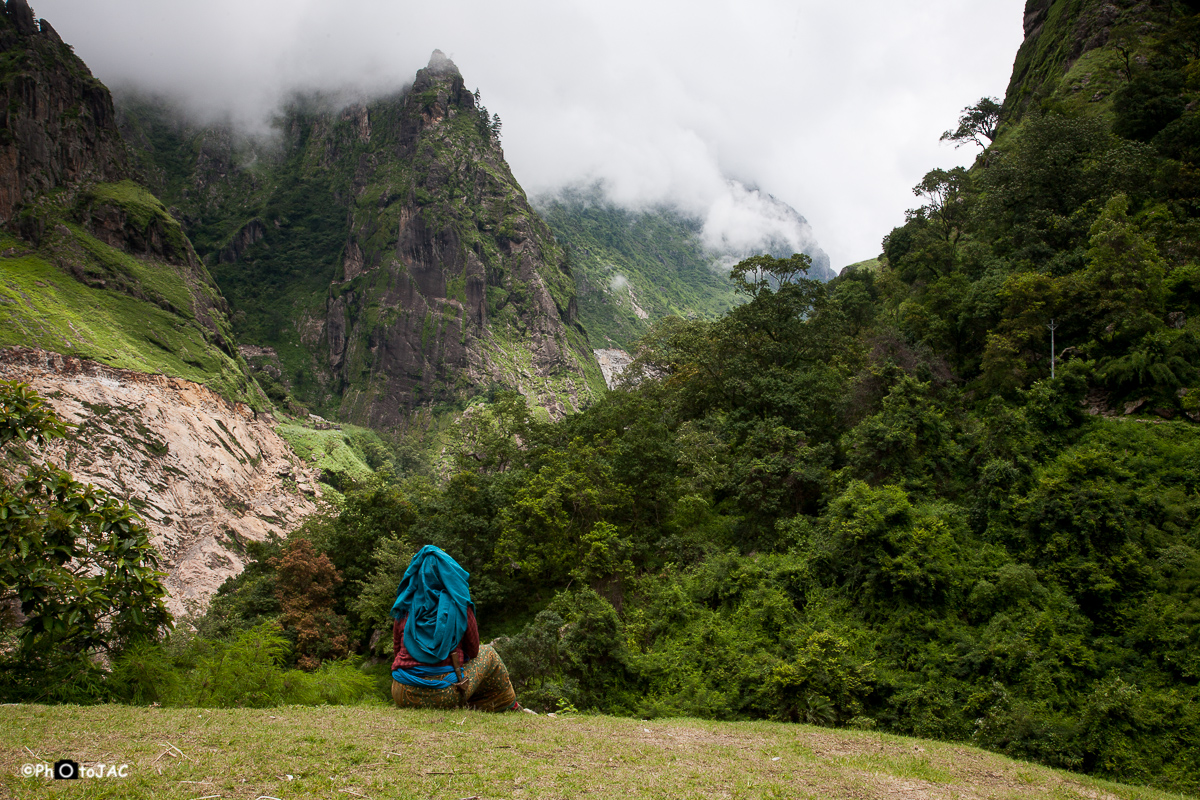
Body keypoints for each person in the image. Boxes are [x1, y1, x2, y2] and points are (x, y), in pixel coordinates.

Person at [390, 545, 520, 712]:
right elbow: (473, 650)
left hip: (402, 692)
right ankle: (506, 706)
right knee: (489, 653)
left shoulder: (404, 606)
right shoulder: (459, 605)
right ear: (448, 573)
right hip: (443, 694)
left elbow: (396, 650)